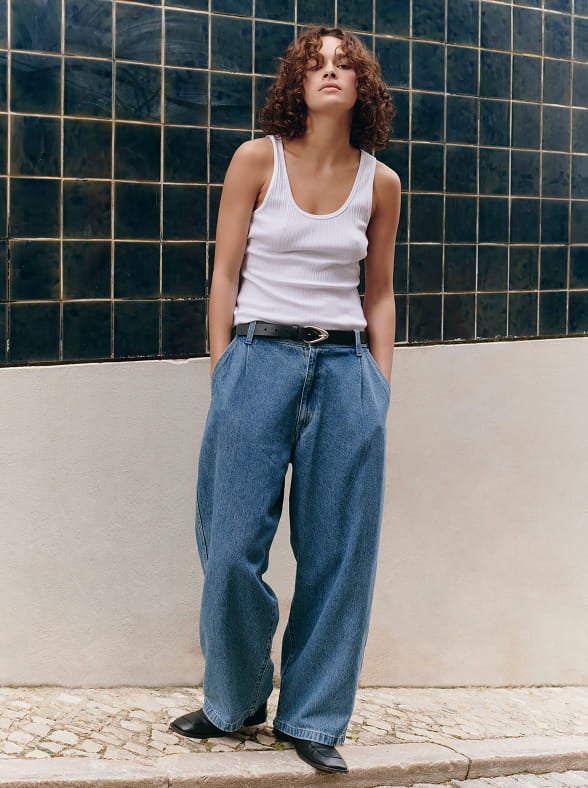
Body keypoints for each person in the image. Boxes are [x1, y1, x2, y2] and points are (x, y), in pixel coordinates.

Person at [170, 26, 401, 774]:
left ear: (361, 86)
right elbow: (224, 275)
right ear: (297, 82)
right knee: (231, 547)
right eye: (316, 64)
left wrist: (378, 386)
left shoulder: (381, 183)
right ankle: (235, 700)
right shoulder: (255, 160)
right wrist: (224, 369)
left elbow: (380, 292)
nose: (330, 72)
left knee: (340, 554)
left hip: (345, 370)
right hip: (258, 358)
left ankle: (313, 716)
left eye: (344, 65)